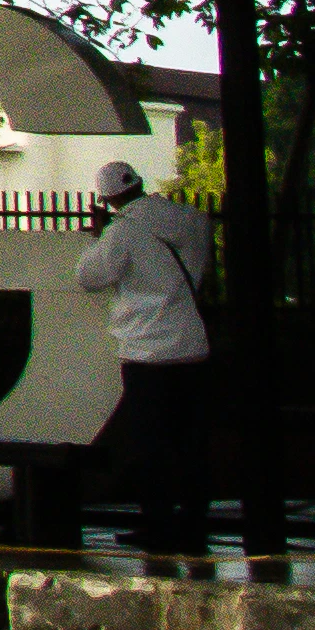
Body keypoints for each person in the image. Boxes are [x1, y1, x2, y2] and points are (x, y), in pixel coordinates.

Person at [72, 153, 222, 557]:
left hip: (148, 352)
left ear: (107, 200)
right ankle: (194, 525)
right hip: (193, 346)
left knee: (152, 444)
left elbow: (89, 277)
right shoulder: (190, 218)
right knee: (191, 441)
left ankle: (158, 525)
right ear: (138, 183)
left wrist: (100, 235)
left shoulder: (122, 232)